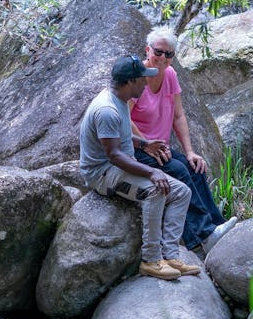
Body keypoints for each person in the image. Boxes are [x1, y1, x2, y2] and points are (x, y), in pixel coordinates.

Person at [79, 55, 201, 281]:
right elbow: (114, 155)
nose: (146, 83)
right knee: (155, 190)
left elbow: (122, 136)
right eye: (142, 79)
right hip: (103, 175)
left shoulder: (120, 100)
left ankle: (170, 256)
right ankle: (151, 260)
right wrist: (151, 171)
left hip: (119, 166)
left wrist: (144, 144)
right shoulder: (107, 109)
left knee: (182, 191)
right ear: (129, 82)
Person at [129, 28, 236, 254]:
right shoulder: (136, 77)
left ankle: (216, 226)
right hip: (135, 147)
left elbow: (179, 116)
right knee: (178, 170)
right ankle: (201, 237)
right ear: (148, 50)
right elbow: (123, 118)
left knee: (194, 167)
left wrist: (190, 151)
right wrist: (147, 144)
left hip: (159, 148)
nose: (163, 58)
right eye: (159, 52)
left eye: (169, 54)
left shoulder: (170, 75)